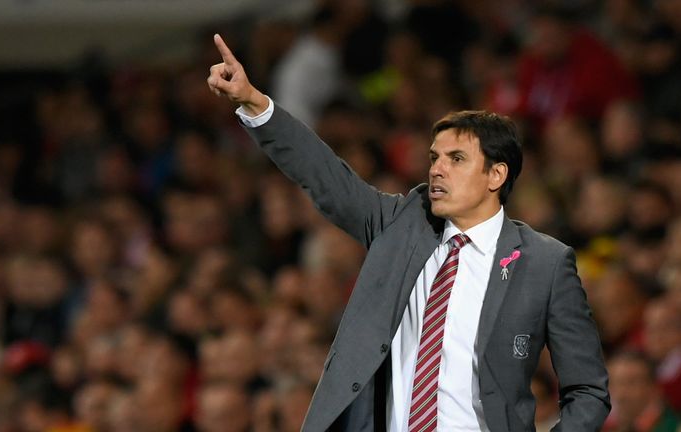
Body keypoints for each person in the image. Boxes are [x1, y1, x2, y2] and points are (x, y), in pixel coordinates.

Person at [207, 34, 609, 431]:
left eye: (456, 159)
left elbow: (588, 391)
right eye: (434, 157)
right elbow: (325, 176)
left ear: (496, 174)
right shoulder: (401, 224)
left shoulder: (545, 263)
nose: (436, 168)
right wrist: (255, 102)